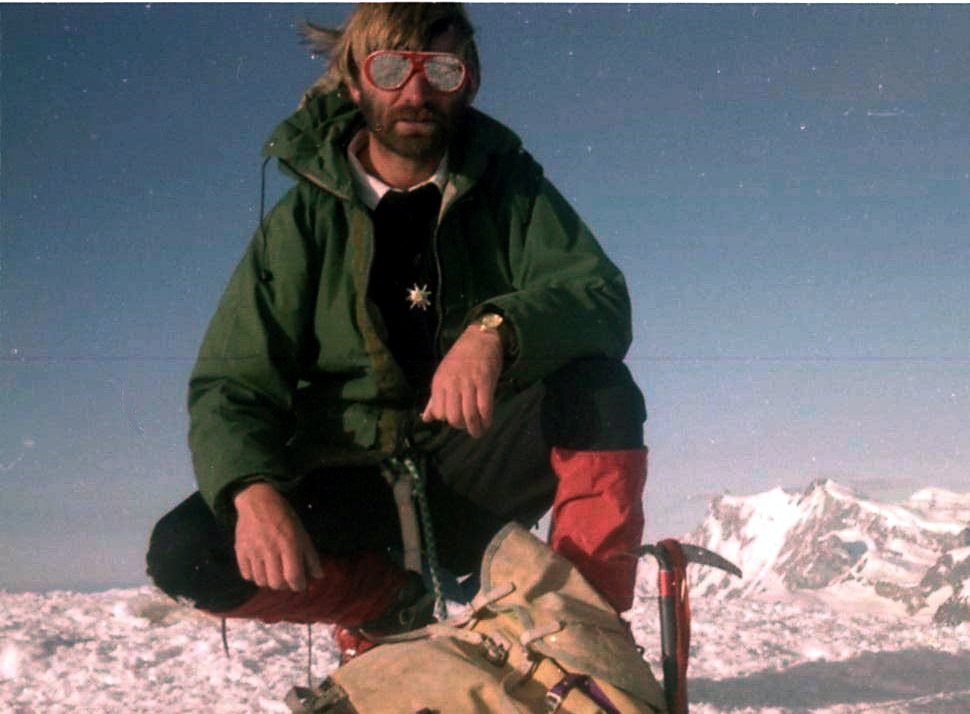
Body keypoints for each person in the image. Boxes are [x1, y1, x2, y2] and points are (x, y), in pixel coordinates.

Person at [146, 3, 647, 662]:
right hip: (354, 486)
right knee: (189, 554)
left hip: (471, 470)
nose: (415, 92)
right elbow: (233, 384)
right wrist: (251, 489)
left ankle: (583, 640)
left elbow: (597, 298)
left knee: (599, 389)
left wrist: (496, 329)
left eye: (439, 68)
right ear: (355, 82)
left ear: (465, 81)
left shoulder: (510, 191)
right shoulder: (300, 225)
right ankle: (384, 603)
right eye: (390, 68)